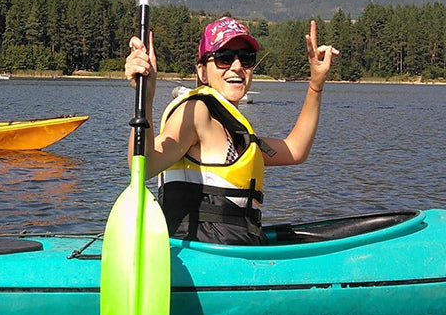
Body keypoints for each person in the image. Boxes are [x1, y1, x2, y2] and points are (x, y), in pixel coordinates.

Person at [123, 16, 339, 245]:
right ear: (202, 72)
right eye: (224, 58)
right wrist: (146, 99)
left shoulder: (234, 130)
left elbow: (296, 150)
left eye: (246, 59)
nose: (237, 66)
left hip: (241, 252)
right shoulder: (196, 112)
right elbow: (145, 165)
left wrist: (316, 84)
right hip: (206, 259)